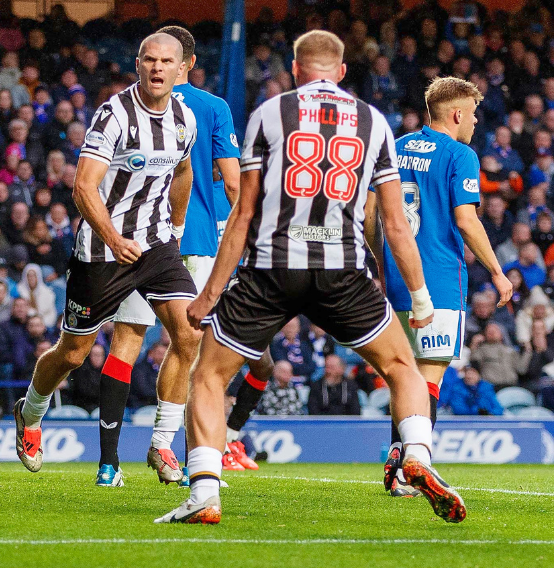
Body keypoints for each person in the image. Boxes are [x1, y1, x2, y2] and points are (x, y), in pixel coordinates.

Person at [161, 30, 464, 525]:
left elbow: (243, 213)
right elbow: (393, 224)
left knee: (210, 376)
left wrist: (210, 293)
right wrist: (420, 294)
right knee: (403, 368)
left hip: (273, 267)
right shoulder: (374, 122)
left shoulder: (270, 114)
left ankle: (204, 495)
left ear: (297, 70)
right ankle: (417, 457)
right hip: (342, 267)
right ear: (342, 72)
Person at [12, 33, 202, 484]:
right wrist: (114, 238)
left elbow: (183, 171)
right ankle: (31, 412)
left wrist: (173, 232)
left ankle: (162, 445)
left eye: (166, 62)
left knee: (190, 333)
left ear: (182, 69)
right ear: (137, 65)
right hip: (101, 252)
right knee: (74, 353)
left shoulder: (185, 118)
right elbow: (83, 185)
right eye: (149, 60)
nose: (157, 68)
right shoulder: (114, 115)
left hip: (155, 246)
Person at [93, 25, 268, 487]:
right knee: (192, 351)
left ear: (176, 62)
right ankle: (175, 451)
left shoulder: (131, 106)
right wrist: (246, 240)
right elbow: (233, 183)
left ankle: (109, 464)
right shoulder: (212, 108)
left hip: (143, 238)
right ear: (193, 62)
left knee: (126, 344)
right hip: (196, 244)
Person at [365, 76, 513, 497]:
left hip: (395, 279)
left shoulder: (394, 147)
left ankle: (398, 466)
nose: (476, 121)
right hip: (440, 278)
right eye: (474, 113)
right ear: (457, 113)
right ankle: (418, 461)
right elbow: (466, 219)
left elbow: (371, 213)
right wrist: (498, 272)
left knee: (402, 375)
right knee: (428, 378)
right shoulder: (459, 154)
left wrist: (381, 264)